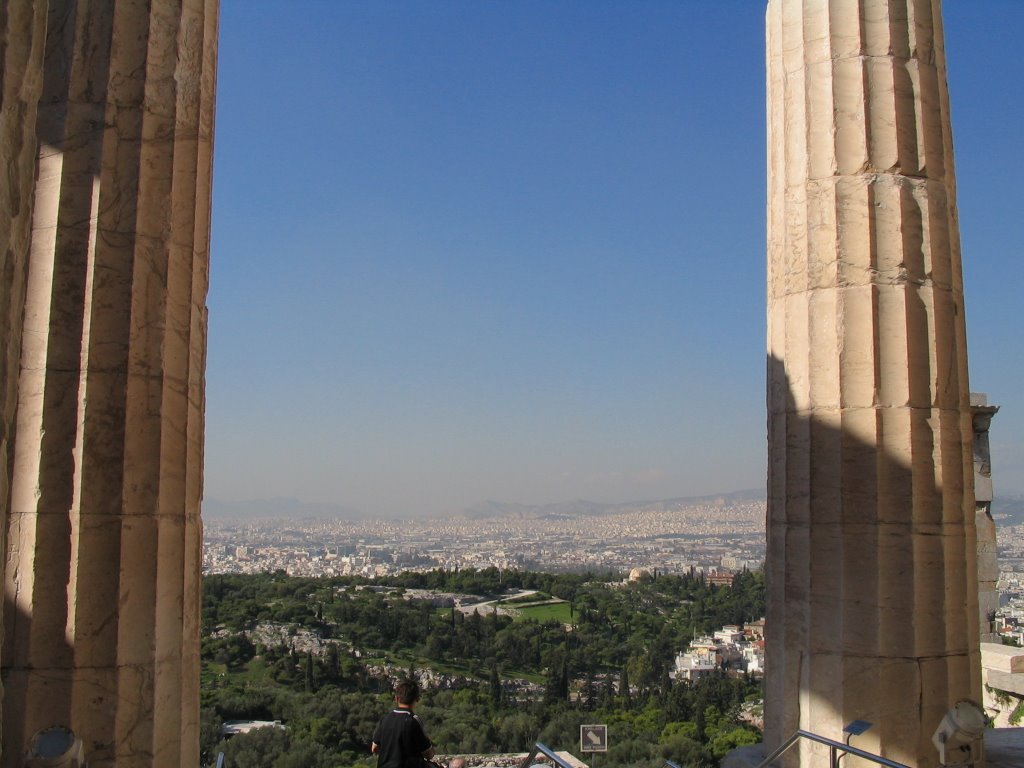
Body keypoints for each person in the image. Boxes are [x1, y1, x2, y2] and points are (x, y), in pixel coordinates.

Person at [371, 679, 435, 768]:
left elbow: (374, 748)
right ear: (416, 699)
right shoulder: (413, 721)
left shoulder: (385, 719)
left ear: (396, 699)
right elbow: (428, 754)